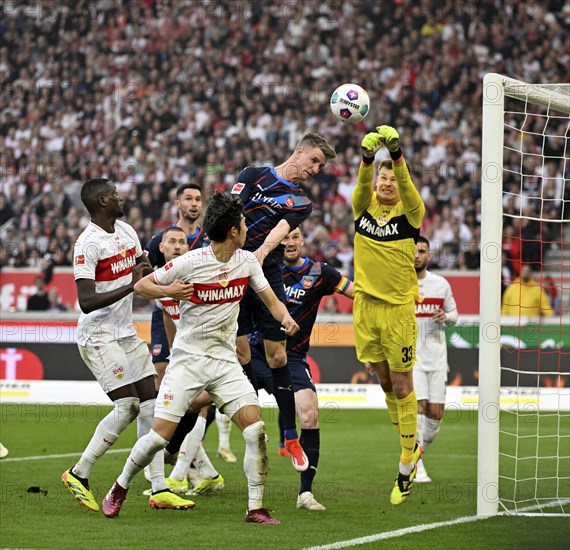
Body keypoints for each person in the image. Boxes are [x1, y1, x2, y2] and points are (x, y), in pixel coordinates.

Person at [102, 192, 299, 524]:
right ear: (233, 232)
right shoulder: (190, 262)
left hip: (224, 363)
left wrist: (285, 318)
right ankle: (119, 486)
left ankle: (255, 508)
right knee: (159, 437)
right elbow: (142, 286)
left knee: (255, 431)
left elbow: (269, 298)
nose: (247, 227)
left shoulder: (247, 261)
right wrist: (169, 291)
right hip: (188, 361)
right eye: (244, 223)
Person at [231, 133, 336, 472]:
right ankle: (248, 413)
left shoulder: (301, 201)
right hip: (233, 270)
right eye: (315, 161)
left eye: (320, 165)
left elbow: (280, 229)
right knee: (242, 352)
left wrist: (260, 254)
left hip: (268, 271)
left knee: (279, 355)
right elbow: (229, 214)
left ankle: (290, 436)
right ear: (299, 151)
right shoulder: (252, 175)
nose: (316, 169)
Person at [61, 178, 159, 513]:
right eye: (115, 195)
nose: (121, 197)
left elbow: (141, 268)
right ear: (102, 201)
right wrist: (132, 285)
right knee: (128, 406)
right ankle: (79, 472)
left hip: (125, 332)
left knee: (150, 402)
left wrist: (148, 272)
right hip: (98, 335)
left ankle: (157, 485)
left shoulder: (127, 231)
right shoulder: (87, 244)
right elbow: (86, 300)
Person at [250, 227, 354, 511]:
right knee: (202, 403)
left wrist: (387, 298)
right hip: (255, 351)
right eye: (284, 237)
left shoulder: (321, 273)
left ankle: (305, 493)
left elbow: (355, 292)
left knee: (309, 414)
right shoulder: (259, 268)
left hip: (292, 357)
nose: (289, 242)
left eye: (294, 236)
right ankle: (180, 460)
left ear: (302, 240)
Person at [352, 125, 425, 506]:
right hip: (365, 307)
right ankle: (409, 445)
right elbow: (361, 187)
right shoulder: (361, 208)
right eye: (381, 177)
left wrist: (397, 156)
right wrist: (367, 160)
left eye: (391, 177)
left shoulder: (411, 213)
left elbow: (409, 187)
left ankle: (406, 461)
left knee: (401, 385)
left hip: (397, 310)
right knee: (383, 382)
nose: (386, 183)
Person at [145, 183, 237, 463]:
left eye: (198, 199)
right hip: (167, 313)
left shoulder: (209, 239)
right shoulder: (162, 239)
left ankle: (184, 460)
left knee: (199, 398)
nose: (194, 203)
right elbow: (147, 277)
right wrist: (164, 295)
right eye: (188, 198)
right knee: (164, 384)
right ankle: (173, 456)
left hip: (199, 321)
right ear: (178, 203)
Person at [146, 226, 225, 497]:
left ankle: (178, 475)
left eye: (183, 242)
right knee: (186, 406)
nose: (179, 246)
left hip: (215, 352)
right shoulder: (163, 286)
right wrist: (173, 356)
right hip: (188, 353)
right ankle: (208, 474)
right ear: (162, 248)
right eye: (172, 242)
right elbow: (168, 315)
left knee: (198, 405)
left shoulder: (197, 275)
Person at [413, 236, 458, 483]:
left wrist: (446, 317)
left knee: (435, 416)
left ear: (429, 255)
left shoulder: (441, 284)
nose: (417, 255)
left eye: (422, 251)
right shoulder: (401, 284)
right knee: (418, 412)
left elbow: (455, 314)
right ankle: (417, 467)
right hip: (413, 359)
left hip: (438, 358)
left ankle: (415, 457)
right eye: (414, 251)